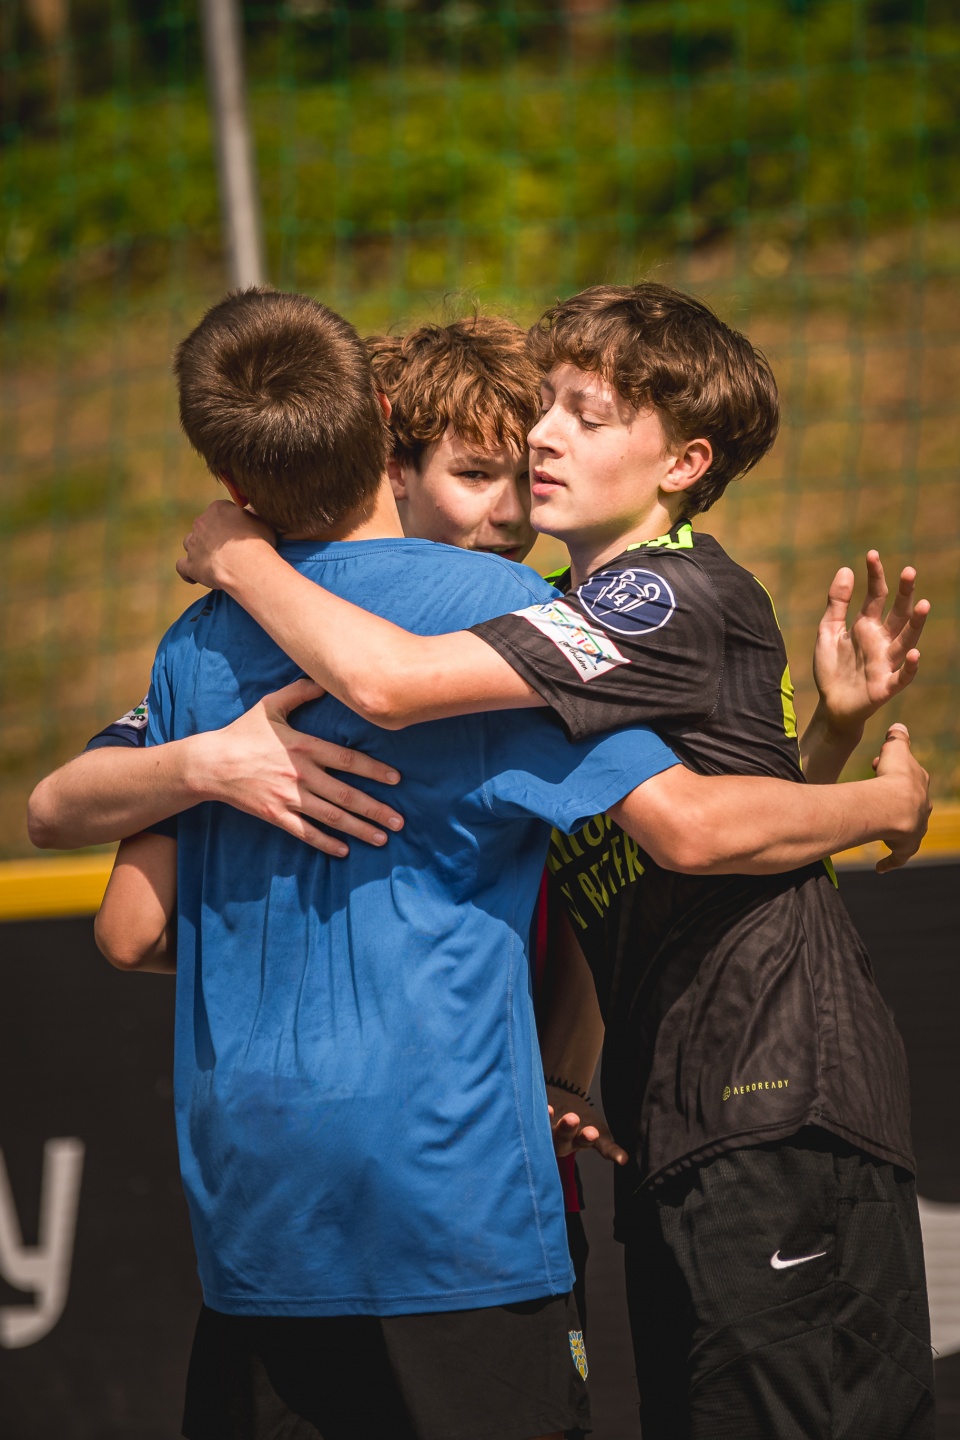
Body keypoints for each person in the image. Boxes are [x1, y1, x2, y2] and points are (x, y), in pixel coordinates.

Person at [91, 287, 928, 1440]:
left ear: (684, 463)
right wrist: (841, 754)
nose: (542, 446)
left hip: (759, 1100)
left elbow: (664, 820)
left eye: (584, 416)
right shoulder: (540, 614)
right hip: (628, 1134)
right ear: (389, 449)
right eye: (541, 417)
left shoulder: (615, 600)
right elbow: (649, 861)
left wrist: (240, 558)